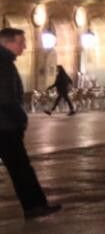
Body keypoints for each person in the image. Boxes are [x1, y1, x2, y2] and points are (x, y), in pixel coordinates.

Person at [0, 27, 61, 218]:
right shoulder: (3, 63)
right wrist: (21, 119)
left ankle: (35, 205)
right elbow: (6, 97)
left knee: (21, 167)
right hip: (5, 125)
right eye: (21, 42)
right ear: (6, 42)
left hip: (5, 123)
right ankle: (34, 206)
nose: (24, 47)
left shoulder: (5, 61)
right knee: (20, 167)